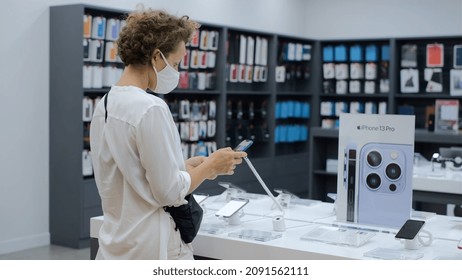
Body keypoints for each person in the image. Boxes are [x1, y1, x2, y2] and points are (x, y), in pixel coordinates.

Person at [89, 8, 247, 260]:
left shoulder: (106, 104)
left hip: (118, 243)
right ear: (156, 56)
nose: (176, 71)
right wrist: (210, 167)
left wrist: (182, 167)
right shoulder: (150, 107)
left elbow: (129, 173)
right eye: (174, 63)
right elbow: (169, 192)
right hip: (155, 247)